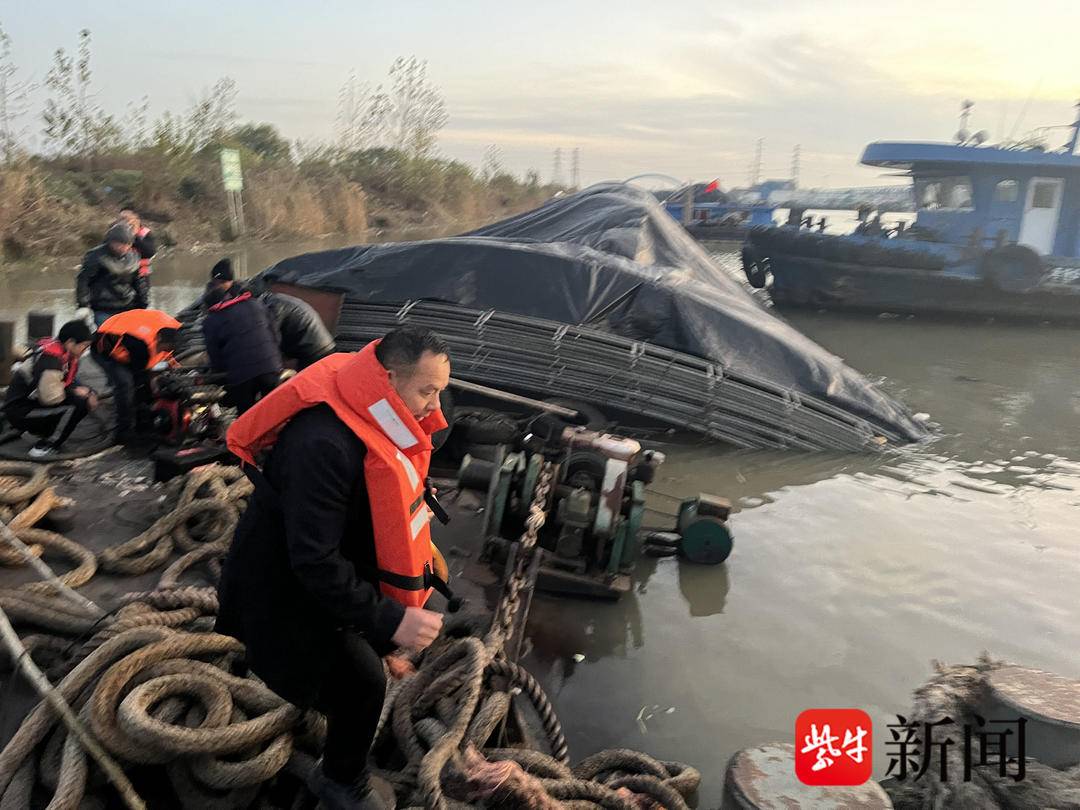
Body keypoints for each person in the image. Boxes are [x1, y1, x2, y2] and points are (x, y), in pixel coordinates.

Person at [216, 328, 451, 809]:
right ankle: (340, 782)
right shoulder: (323, 444)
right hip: (278, 589)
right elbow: (315, 561)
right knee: (364, 686)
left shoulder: (371, 415)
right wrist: (393, 620)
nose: (434, 407)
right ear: (387, 380)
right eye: (427, 391)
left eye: (441, 391)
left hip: (319, 574)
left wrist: (384, 630)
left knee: (369, 654)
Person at [207, 258, 336, 368]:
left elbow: (270, 337)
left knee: (306, 390)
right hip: (315, 346)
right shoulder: (272, 301)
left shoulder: (272, 307)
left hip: (316, 350)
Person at [2, 320, 98, 458]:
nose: (85, 351)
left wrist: (88, 391)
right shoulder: (51, 360)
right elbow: (51, 398)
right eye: (84, 346)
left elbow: (67, 381)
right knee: (78, 405)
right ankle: (46, 445)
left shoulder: (62, 352)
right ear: (71, 343)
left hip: (31, 401)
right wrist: (76, 392)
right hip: (19, 410)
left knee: (82, 397)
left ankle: (41, 431)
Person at [92, 309, 180, 441]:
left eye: (167, 349)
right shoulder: (140, 345)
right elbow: (141, 373)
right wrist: (153, 383)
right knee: (126, 384)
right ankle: (123, 431)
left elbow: (166, 361)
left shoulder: (172, 335)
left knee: (146, 383)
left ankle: (142, 421)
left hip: (131, 341)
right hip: (105, 347)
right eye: (162, 348)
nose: (164, 351)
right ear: (159, 339)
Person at [201, 284, 283, 413]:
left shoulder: (211, 320)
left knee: (246, 417)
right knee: (272, 414)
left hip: (242, 374)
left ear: (208, 307)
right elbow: (276, 335)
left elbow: (215, 356)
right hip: (271, 367)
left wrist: (219, 376)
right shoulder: (255, 304)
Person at [76, 222, 148, 327]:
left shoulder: (134, 256)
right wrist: (83, 305)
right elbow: (83, 280)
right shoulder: (95, 256)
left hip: (128, 305)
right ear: (112, 242)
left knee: (129, 339)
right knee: (106, 339)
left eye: (128, 244)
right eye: (121, 244)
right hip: (103, 307)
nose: (124, 247)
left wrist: (143, 303)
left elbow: (139, 281)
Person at [118, 208, 158, 280]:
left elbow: (150, 253)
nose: (124, 222)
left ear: (136, 218)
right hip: (122, 272)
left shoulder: (146, 233)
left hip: (140, 274)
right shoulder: (116, 233)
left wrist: (135, 235)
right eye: (121, 219)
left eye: (127, 219)